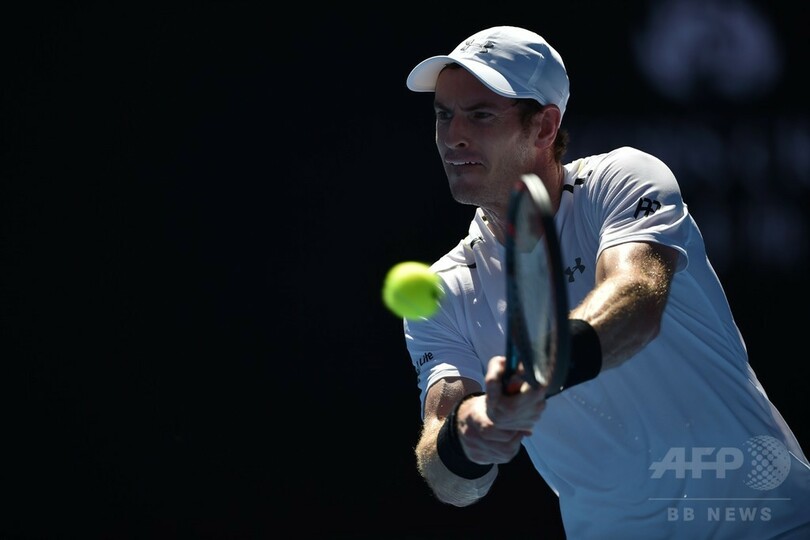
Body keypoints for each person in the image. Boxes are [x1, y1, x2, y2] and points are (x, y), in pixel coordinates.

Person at [400, 25, 810, 539]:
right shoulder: (442, 291)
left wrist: (539, 371)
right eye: (444, 115)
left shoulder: (622, 180)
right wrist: (469, 438)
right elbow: (450, 479)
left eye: (481, 115)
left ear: (544, 126)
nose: (452, 136)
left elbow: (636, 299)